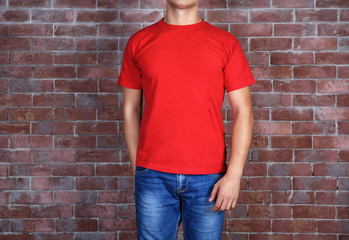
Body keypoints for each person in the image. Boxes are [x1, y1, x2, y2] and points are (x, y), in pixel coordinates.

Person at [118, 0, 256, 239]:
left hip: (209, 178)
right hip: (152, 174)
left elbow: (244, 111)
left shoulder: (225, 43)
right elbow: (131, 109)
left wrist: (234, 175)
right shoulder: (139, 42)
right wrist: (137, 168)